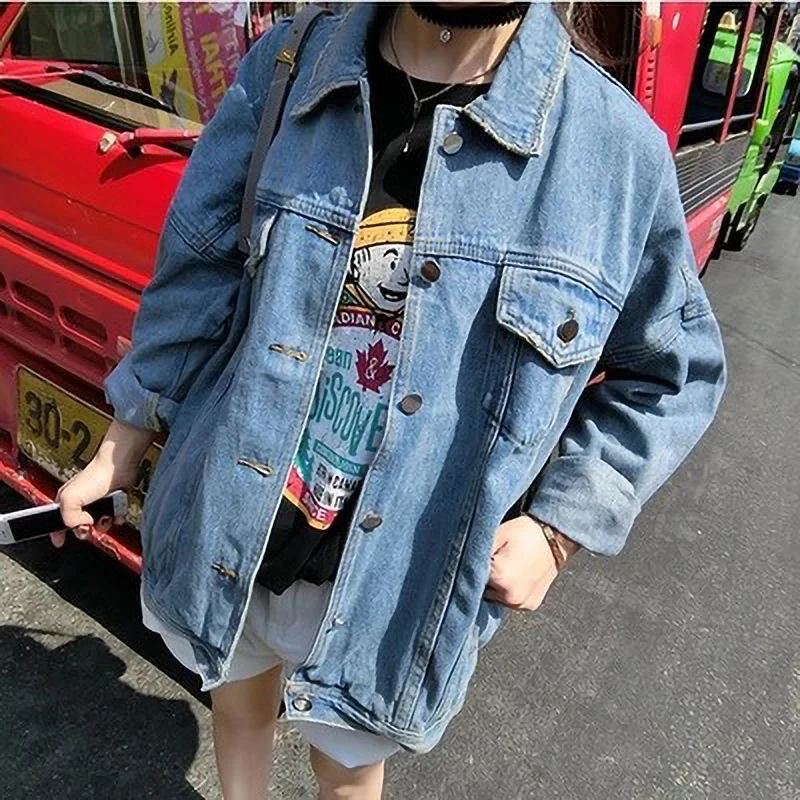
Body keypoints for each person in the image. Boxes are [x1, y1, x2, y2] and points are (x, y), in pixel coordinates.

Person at [55, 3, 726, 798]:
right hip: (231, 508)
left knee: (346, 772)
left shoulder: (613, 154)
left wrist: (558, 530)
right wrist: (123, 441)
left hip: (396, 578)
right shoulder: (291, 67)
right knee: (235, 707)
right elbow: (200, 265)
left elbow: (675, 372)